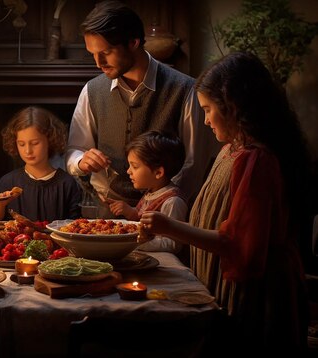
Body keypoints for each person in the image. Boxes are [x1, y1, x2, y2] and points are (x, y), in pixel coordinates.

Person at [140, 52, 311, 353]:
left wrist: (169, 227)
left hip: (257, 295)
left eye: (208, 110)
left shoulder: (256, 160)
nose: (205, 120)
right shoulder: (230, 149)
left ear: (233, 106)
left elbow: (240, 244)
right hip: (227, 281)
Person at [65, 0, 215, 218]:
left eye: (106, 52)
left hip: (164, 216)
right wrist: (81, 160)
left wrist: (160, 206)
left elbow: (193, 166)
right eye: (93, 54)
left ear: (134, 42)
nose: (98, 62)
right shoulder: (92, 91)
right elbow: (74, 151)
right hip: (107, 213)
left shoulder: (185, 90)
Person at [0, 106, 81, 222]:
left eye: (35, 143)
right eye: (21, 144)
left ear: (50, 140)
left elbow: (75, 226)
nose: (28, 151)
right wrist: (0, 204)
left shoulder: (66, 183)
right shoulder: (8, 182)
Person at [104, 130, 187, 254]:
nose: (128, 171)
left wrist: (135, 242)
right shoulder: (151, 192)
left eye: (135, 166)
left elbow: (173, 244)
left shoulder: (172, 202)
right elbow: (142, 219)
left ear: (158, 172)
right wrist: (130, 212)